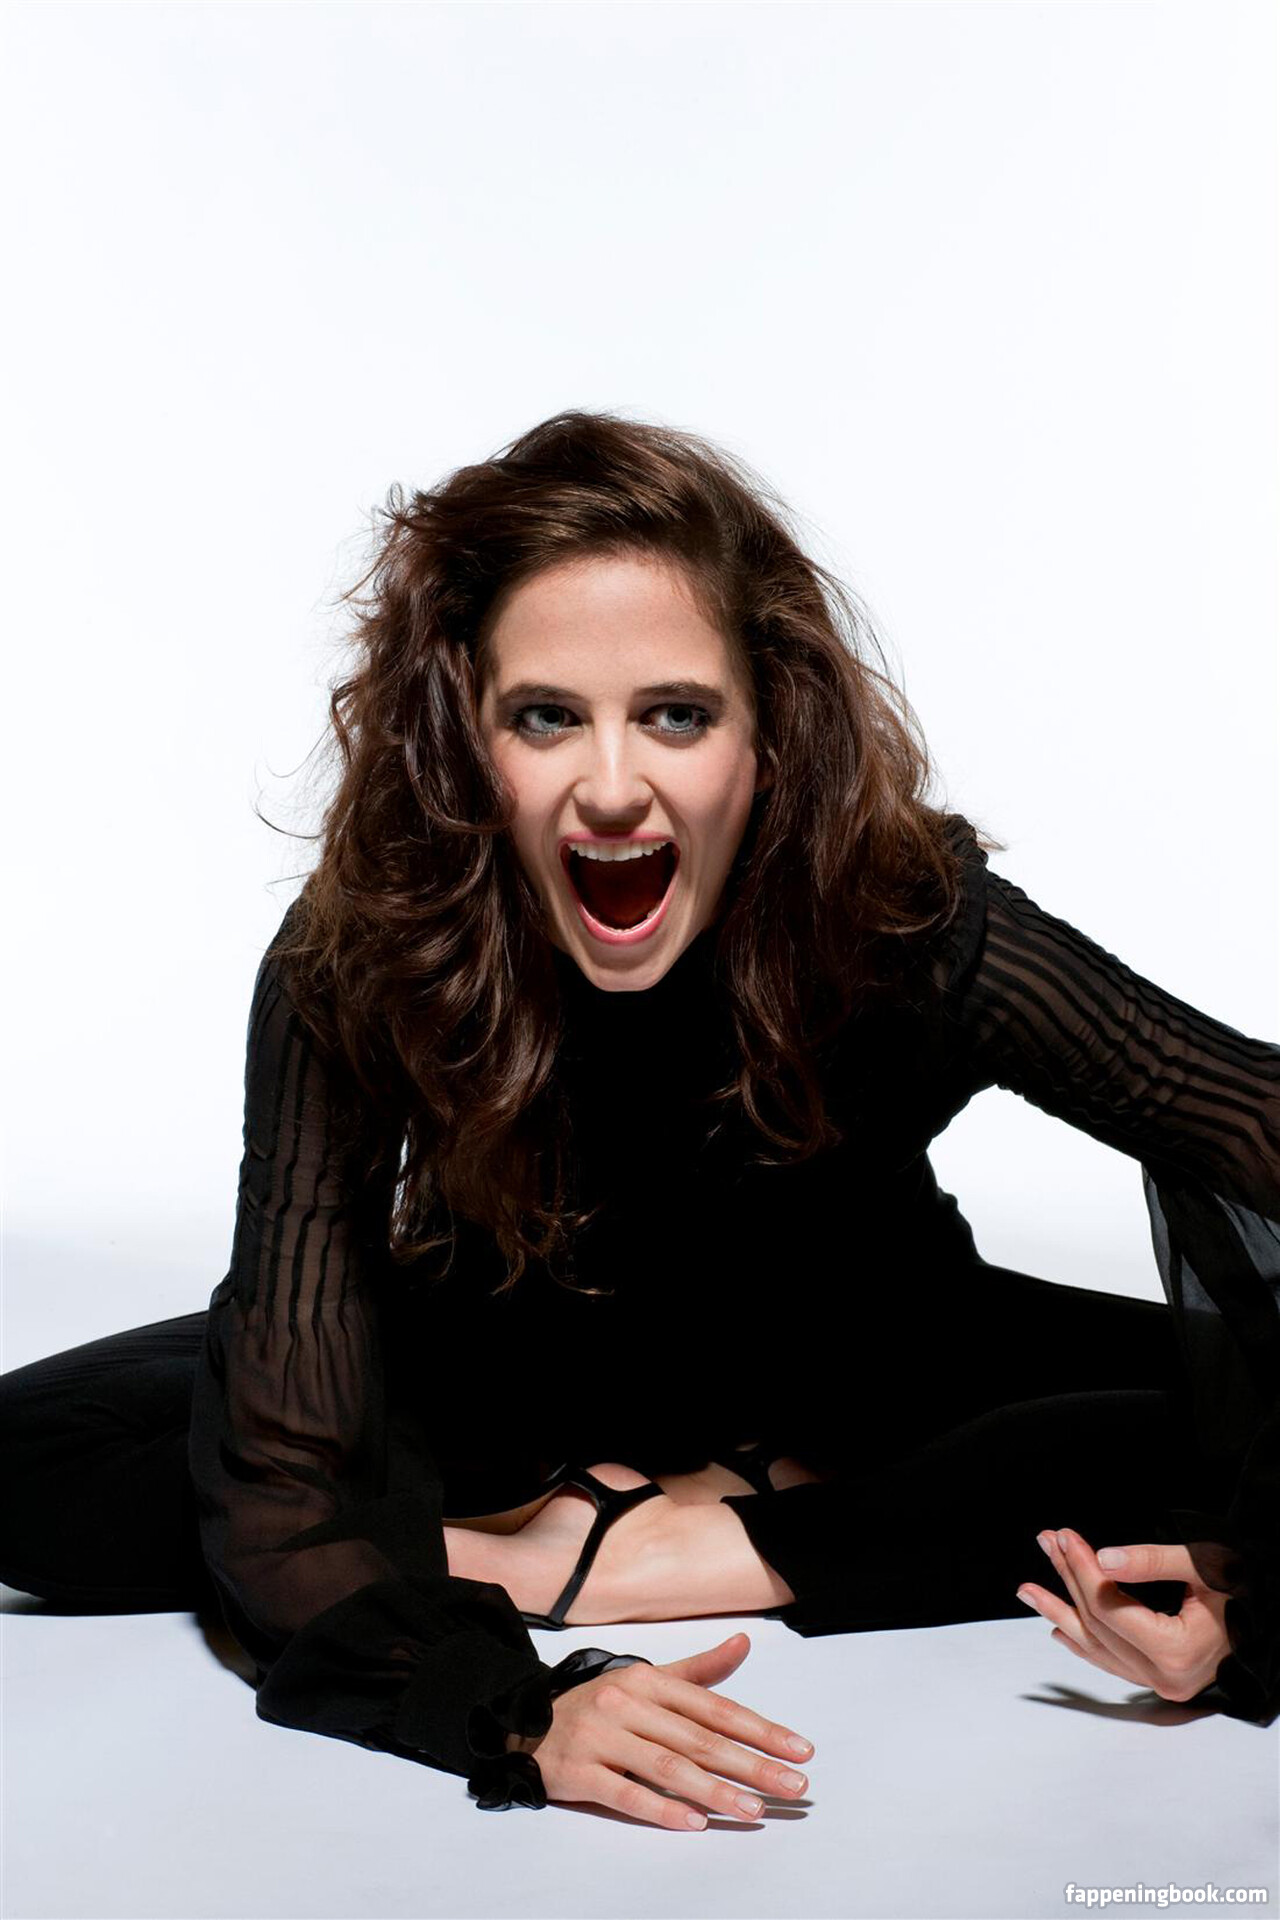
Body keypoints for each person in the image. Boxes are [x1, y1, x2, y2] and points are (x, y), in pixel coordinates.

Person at [3, 412, 1278, 1828]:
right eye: (546, 716)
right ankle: (579, 1531)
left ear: (770, 734)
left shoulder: (909, 922)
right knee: (39, 1466)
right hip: (506, 1373)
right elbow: (286, 1480)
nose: (612, 789)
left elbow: (1253, 1124)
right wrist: (515, 1707)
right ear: (465, 738)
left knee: (1224, 1424)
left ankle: (710, 1548)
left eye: (677, 713)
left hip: (876, 1371)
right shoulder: (367, 950)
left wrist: (1254, 1612)